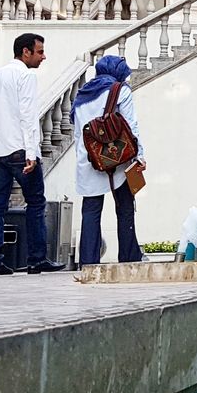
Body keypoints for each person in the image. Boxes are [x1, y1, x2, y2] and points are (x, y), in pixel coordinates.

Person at [0, 33, 64, 276]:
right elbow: (28, 115)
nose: (43, 56)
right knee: (36, 202)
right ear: (25, 52)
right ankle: (36, 259)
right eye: (39, 52)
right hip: (18, 149)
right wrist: (31, 152)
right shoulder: (25, 75)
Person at [73, 56, 145, 266]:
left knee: (91, 210)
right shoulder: (119, 90)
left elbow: (79, 132)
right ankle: (129, 258)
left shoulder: (81, 95)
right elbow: (131, 126)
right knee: (124, 207)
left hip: (89, 156)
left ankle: (88, 262)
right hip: (118, 156)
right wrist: (140, 155)